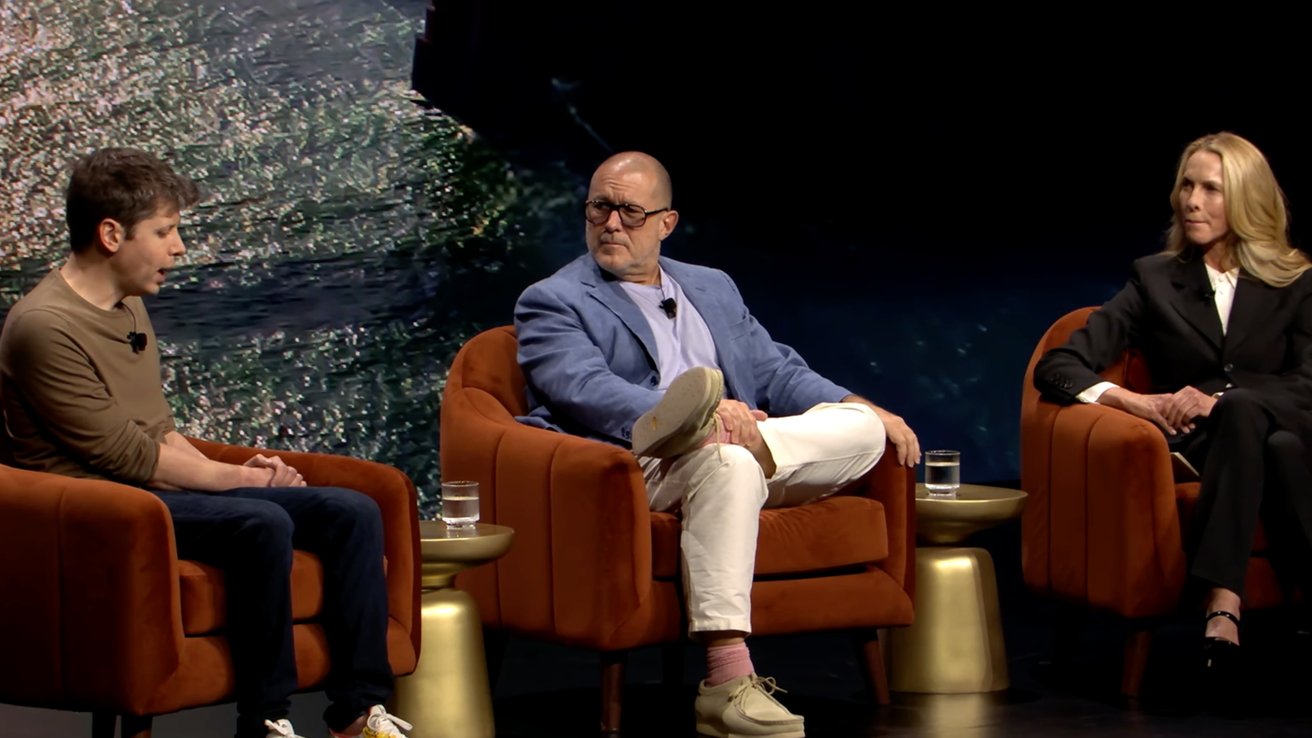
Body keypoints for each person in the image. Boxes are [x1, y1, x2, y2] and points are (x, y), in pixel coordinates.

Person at [0, 148, 412, 738]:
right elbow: (124, 456)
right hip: (98, 511)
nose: (180, 247)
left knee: (352, 510)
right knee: (260, 522)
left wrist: (247, 469)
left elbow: (160, 430)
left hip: (151, 493)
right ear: (112, 234)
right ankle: (265, 721)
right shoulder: (44, 326)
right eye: (165, 232)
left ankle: (357, 712)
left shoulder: (129, 306)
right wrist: (247, 482)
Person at [514, 151, 920, 737]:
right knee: (723, 458)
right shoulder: (554, 299)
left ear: (665, 222)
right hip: (644, 463)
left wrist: (864, 405)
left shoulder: (712, 286)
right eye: (600, 208)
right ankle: (727, 682)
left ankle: (751, 451)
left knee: (861, 430)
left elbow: (779, 372)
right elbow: (585, 390)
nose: (611, 224)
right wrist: (697, 420)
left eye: (629, 211)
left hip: (738, 446)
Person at [1033, 132, 1312, 686]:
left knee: (1266, 432)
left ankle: (1221, 597)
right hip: (1204, 449)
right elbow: (1058, 366)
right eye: (1187, 184)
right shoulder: (1155, 280)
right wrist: (1131, 401)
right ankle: (1234, 599)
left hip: (1290, 428)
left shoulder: (1295, 281)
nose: (1192, 200)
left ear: (1246, 200)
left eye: (1212, 189)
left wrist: (1224, 399)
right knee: (1250, 427)